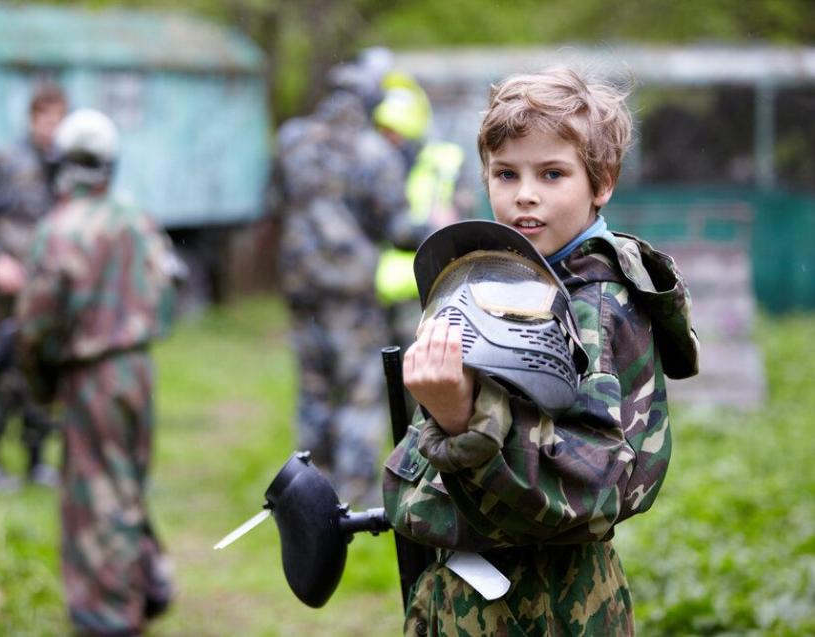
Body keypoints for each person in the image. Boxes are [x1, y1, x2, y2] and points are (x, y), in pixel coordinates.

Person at [383, 67, 700, 635]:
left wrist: (463, 417)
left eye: (552, 173)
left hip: (543, 606)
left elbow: (592, 486)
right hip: (470, 592)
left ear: (601, 182)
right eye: (506, 174)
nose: (525, 194)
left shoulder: (594, 307)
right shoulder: (516, 283)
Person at [16, 108, 177, 636]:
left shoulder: (58, 228)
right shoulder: (135, 218)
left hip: (89, 377)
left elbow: (37, 324)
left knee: (95, 499)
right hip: (136, 369)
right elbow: (168, 290)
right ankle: (145, 584)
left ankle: (108, 617)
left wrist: (40, 388)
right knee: (127, 485)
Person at [275, 54, 432, 507]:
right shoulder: (373, 151)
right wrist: (437, 232)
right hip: (351, 292)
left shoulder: (293, 140)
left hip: (301, 286)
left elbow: (278, 198)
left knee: (313, 391)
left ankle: (306, 495)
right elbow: (398, 228)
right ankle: (353, 498)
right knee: (360, 397)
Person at [0, 81, 67, 491]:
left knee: (41, 373)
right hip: (3, 295)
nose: (51, 127)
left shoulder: (66, 170)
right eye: (45, 118)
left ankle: (37, 461)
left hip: (43, 297)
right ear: (31, 119)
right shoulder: (3, 164)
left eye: (59, 119)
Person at [372, 70, 473, 351]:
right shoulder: (372, 166)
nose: (388, 140)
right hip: (373, 294)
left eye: (394, 133)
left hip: (424, 292)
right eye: (383, 132)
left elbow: (457, 228)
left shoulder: (444, 163)